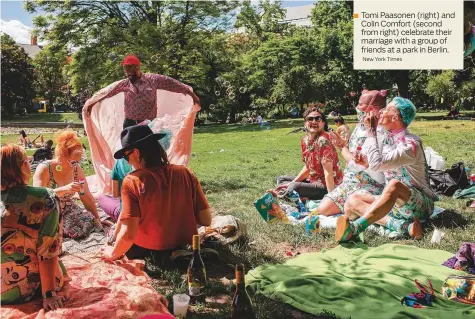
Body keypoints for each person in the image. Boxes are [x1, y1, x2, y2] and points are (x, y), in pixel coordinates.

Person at [98, 125, 212, 267]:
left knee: (102, 199)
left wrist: (112, 253)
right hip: (186, 245)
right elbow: (206, 219)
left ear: (137, 153)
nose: (127, 161)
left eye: (127, 155)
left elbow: (128, 234)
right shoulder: (186, 173)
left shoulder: (132, 181)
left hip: (146, 250)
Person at [336, 97, 437, 242]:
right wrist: (365, 162)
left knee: (394, 184)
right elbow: (377, 164)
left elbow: (379, 163)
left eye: (387, 109)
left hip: (421, 206)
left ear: (395, 117)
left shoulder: (410, 144)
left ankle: (356, 228)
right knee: (352, 201)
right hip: (396, 203)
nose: (381, 111)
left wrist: (371, 132)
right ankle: (405, 227)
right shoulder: (389, 139)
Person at [1, 144, 66, 310]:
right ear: (22, 166)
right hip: (25, 290)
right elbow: (48, 250)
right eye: (27, 161)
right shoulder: (44, 198)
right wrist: (49, 294)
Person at [317, 90, 387, 216]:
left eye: (360, 105)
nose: (357, 107)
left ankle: (370, 208)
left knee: (325, 209)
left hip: (371, 184)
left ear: (371, 108)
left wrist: (341, 147)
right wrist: (344, 144)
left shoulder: (381, 131)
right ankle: (358, 209)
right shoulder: (361, 125)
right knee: (323, 208)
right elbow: (356, 152)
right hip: (352, 181)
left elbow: (358, 164)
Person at [85, 55, 200, 129]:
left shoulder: (153, 80)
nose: (127, 73)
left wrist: (192, 95)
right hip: (129, 124)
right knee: (128, 155)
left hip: (148, 124)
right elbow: (108, 92)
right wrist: (92, 103)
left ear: (137, 68)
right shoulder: (125, 84)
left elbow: (172, 84)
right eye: (125, 70)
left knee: (148, 154)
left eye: (129, 69)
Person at [33, 130, 103, 239]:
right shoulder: (44, 168)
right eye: (72, 161)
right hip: (48, 212)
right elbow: (37, 197)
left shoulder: (76, 169)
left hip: (69, 210)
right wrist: (64, 189)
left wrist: (97, 218)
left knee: (89, 222)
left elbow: (85, 195)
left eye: (77, 161)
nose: (75, 164)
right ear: (61, 156)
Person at [276, 106, 343, 200]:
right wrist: (292, 182)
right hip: (313, 180)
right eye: (310, 119)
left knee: (293, 188)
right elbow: (308, 167)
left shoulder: (323, 141)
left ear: (323, 123)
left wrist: (331, 198)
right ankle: (290, 194)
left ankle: (283, 194)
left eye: (317, 119)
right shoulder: (304, 140)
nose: (314, 121)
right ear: (305, 123)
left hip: (327, 185)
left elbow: (328, 172)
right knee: (282, 179)